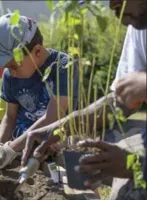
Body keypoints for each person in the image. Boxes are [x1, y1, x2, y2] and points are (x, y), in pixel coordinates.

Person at [21, 0, 147, 199]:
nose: (121, 20)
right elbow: (119, 102)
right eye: (113, 8)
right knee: (78, 140)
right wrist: (61, 127)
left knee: (132, 189)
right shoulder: (139, 26)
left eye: (121, 4)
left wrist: (137, 166)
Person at [0, 14, 79, 171]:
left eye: (14, 66)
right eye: (8, 67)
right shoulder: (10, 75)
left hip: (56, 142)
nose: (11, 72)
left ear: (37, 51)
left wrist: (9, 150)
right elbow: (10, 116)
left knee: (67, 164)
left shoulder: (63, 67)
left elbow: (53, 116)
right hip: (20, 146)